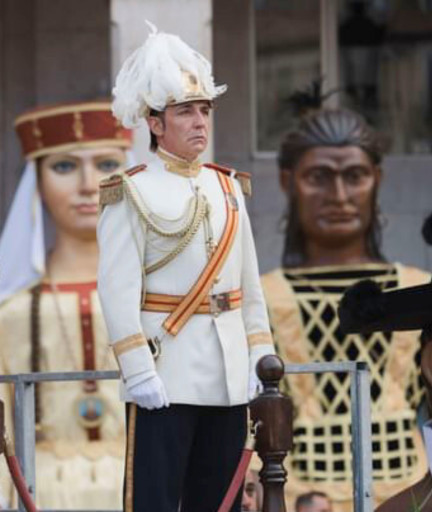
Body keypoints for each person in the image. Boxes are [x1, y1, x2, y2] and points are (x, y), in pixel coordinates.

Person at [99, 24, 275, 511]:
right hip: (165, 373)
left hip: (228, 374)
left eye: (205, 110)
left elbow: (249, 286)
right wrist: (137, 369)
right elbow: (116, 290)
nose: (200, 122)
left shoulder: (228, 187)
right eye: (185, 112)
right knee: (155, 500)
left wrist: (260, 357)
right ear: (155, 124)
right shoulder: (131, 191)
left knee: (221, 502)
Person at [261, 109, 429, 509]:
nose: (339, 196)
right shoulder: (262, 298)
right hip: (297, 492)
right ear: (288, 181)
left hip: (408, 485)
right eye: (319, 177)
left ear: (377, 179)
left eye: (354, 176)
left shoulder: (417, 290)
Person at [0, 100, 132, 509]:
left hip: (144, 487)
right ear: (37, 184)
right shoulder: (5, 314)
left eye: (106, 165)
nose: (88, 185)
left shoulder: (158, 302)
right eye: (64, 167)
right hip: (38, 493)